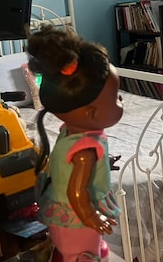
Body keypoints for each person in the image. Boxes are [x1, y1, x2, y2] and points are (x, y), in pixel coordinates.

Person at [27, 26, 124, 262]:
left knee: (83, 249)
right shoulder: (86, 149)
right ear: (91, 113)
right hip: (76, 218)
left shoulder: (69, 131)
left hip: (64, 214)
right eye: (116, 97)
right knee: (80, 254)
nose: (120, 101)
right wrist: (93, 217)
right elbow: (77, 192)